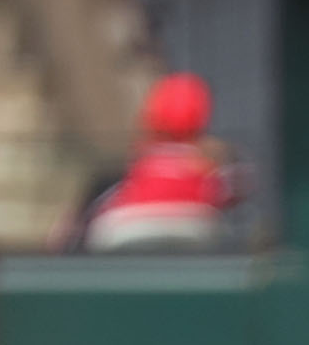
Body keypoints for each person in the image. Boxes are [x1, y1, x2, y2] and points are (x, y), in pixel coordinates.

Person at [73, 70, 231, 252]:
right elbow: (232, 191)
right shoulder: (209, 158)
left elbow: (89, 213)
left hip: (128, 227)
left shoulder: (136, 158)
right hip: (194, 227)